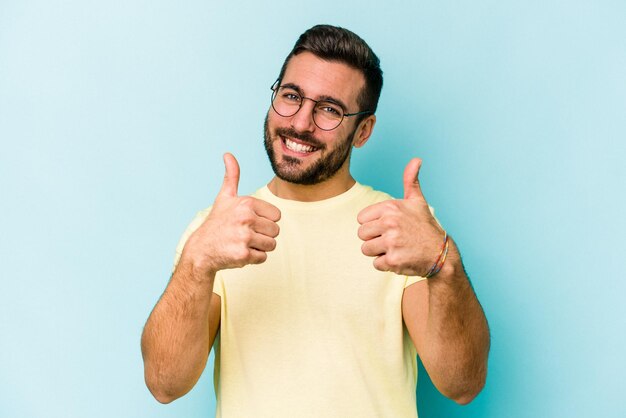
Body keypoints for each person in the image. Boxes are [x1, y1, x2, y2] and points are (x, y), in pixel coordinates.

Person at [141, 24, 490, 418]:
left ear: (363, 131)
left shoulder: (400, 230)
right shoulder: (221, 230)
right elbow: (164, 383)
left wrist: (444, 264)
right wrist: (197, 261)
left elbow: (462, 384)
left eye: (329, 109)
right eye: (291, 96)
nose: (301, 123)